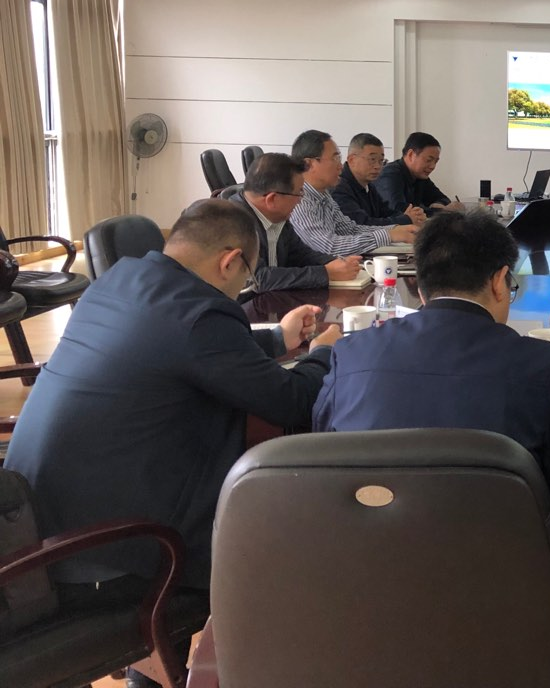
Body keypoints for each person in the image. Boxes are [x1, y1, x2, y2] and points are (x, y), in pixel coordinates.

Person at [4, 200, 337, 592]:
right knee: (284, 534)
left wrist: (279, 337)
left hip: (28, 518)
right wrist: (325, 353)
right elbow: (292, 400)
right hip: (103, 548)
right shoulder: (201, 313)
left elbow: (187, 348)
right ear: (230, 261)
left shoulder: (121, 277)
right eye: (247, 274)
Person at [312, 210, 550, 501]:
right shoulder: (538, 363)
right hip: (502, 536)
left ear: (420, 287)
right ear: (499, 281)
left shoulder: (350, 353)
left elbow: (323, 451)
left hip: (373, 534)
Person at [228, 152, 360, 291]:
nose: (300, 200)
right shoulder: (232, 223)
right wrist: (325, 273)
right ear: (272, 199)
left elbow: (301, 254)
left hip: (274, 299)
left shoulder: (277, 216)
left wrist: (337, 263)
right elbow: (257, 280)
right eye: (299, 193)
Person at [288, 130, 417, 256]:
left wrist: (395, 229)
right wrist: (388, 235)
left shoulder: (323, 195)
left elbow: (350, 229)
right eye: (335, 158)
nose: (340, 166)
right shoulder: (299, 201)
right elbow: (329, 246)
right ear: (309, 164)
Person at [332, 132, 427, 227]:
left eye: (381, 160)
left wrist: (411, 216)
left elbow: (385, 212)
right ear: (352, 160)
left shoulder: (369, 186)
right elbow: (361, 224)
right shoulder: (339, 186)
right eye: (372, 159)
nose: (377, 166)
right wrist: (406, 219)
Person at [374, 131, 462, 215]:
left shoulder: (420, 176)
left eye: (436, 161)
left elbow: (443, 198)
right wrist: (441, 211)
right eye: (429, 160)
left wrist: (439, 204)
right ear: (411, 155)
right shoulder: (390, 175)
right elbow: (399, 210)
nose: (433, 166)